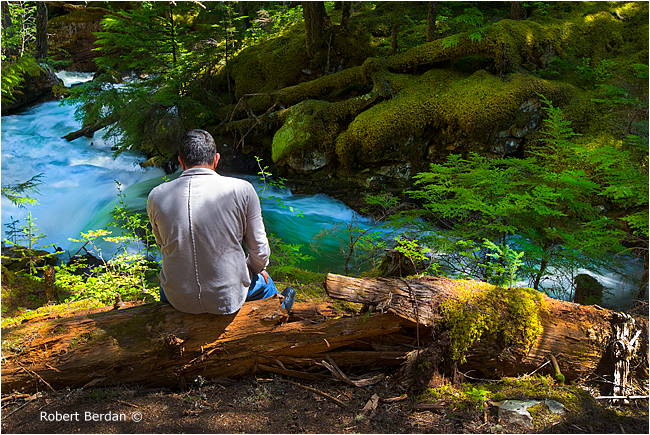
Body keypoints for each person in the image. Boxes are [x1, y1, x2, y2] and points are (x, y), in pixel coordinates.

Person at [146, 129, 295, 315]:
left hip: (177, 298)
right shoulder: (242, 190)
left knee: (167, 279)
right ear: (216, 159)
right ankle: (279, 311)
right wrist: (253, 269)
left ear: (181, 162)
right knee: (266, 283)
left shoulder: (157, 196)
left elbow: (162, 244)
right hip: (228, 297)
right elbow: (259, 250)